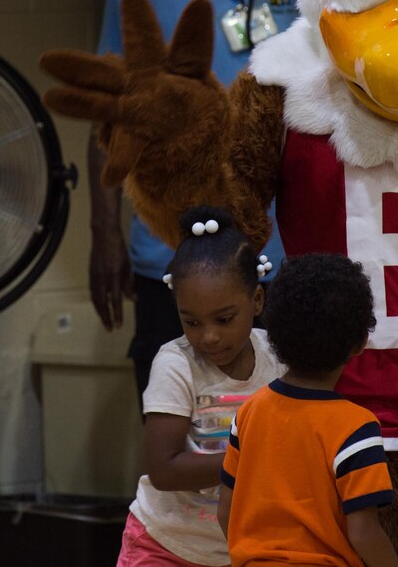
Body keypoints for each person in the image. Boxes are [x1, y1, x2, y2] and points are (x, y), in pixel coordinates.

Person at [87, 0, 311, 409]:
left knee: (288, 412)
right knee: (176, 408)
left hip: (288, 241)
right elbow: (109, 117)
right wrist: (104, 233)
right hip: (173, 243)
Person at [117, 205, 285, 566]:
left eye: (224, 319)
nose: (209, 336)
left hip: (243, 548)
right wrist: (251, 460)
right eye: (191, 322)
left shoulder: (277, 358)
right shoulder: (175, 365)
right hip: (166, 545)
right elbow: (163, 469)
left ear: (256, 300)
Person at [218, 253, 398, 567]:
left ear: (275, 335)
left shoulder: (250, 412)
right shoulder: (357, 428)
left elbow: (226, 511)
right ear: (359, 342)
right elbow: (363, 532)